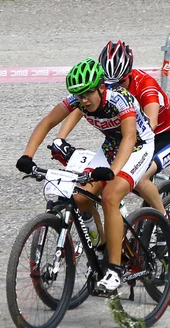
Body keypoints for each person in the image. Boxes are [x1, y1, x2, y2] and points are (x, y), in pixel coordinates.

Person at [16, 57, 155, 292]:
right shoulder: (78, 101)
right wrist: (27, 156)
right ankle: (102, 247)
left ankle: (115, 270)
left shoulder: (120, 99)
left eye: (88, 93)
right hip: (112, 145)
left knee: (111, 196)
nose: (84, 100)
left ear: (101, 87)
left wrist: (112, 172)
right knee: (81, 198)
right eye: (79, 95)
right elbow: (46, 122)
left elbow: (130, 138)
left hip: (139, 146)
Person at [51, 40, 170, 215]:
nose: (113, 88)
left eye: (119, 83)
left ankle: (165, 221)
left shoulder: (145, 85)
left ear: (129, 74)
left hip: (163, 135)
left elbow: (151, 123)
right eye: (108, 83)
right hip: (130, 136)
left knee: (141, 179)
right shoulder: (104, 89)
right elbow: (80, 107)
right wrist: (61, 138)